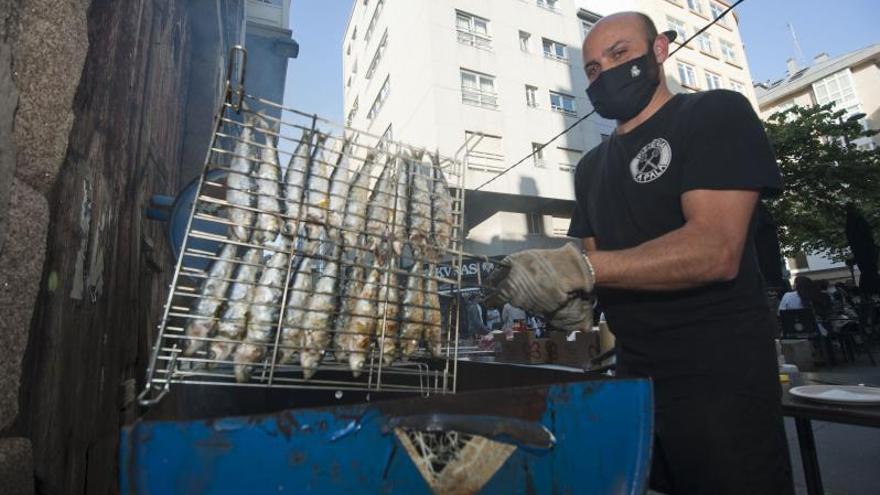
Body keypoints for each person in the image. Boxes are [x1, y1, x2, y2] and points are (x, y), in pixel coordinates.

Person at [488, 12, 793, 494]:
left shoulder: (714, 114)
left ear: (660, 50)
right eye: (591, 69)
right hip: (634, 382)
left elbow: (716, 250)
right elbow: (596, 276)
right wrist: (565, 301)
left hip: (721, 382)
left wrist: (579, 269)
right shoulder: (589, 169)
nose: (604, 72)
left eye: (619, 54)